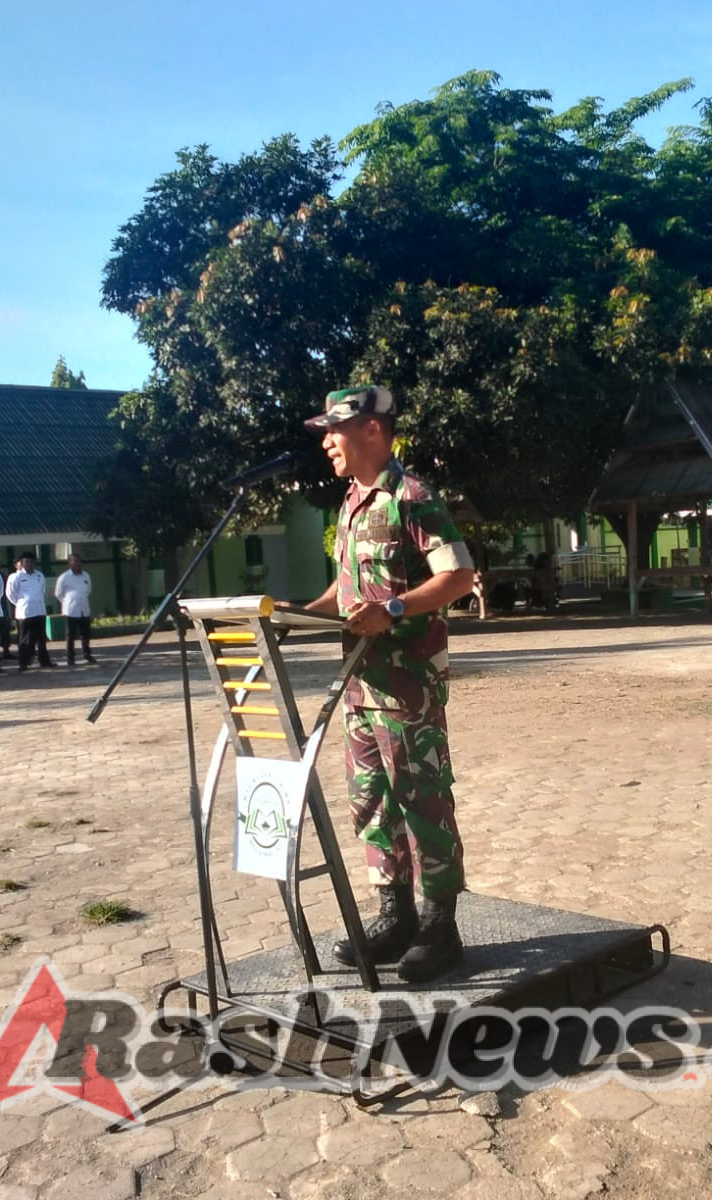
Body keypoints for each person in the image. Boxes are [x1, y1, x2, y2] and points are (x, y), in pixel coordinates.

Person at [301, 385, 477, 982]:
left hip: (407, 687)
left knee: (422, 798)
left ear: (372, 430)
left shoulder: (413, 497)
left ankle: (439, 925)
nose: (326, 442)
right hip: (358, 684)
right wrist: (296, 615)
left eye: (334, 430)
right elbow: (345, 592)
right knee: (372, 800)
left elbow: (457, 576)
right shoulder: (351, 504)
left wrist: (396, 610)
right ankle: (393, 915)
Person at [5, 553, 53, 670]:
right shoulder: (16, 577)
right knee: (24, 639)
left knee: (41, 638)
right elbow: (10, 594)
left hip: (39, 610)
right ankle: (23, 663)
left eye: (31, 561)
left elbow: (42, 591)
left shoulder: (39, 575)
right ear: (21, 563)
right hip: (25, 612)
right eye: (26, 561)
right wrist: (21, 603)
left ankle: (44, 661)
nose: (29, 564)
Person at [54, 553, 95, 665]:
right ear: (69, 563)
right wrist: (68, 602)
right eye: (74, 561)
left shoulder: (86, 575)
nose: (77, 564)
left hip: (84, 609)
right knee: (70, 635)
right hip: (71, 610)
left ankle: (87, 654)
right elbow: (58, 594)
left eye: (78, 561)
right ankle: (70, 657)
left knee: (85, 634)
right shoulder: (64, 577)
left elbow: (88, 590)